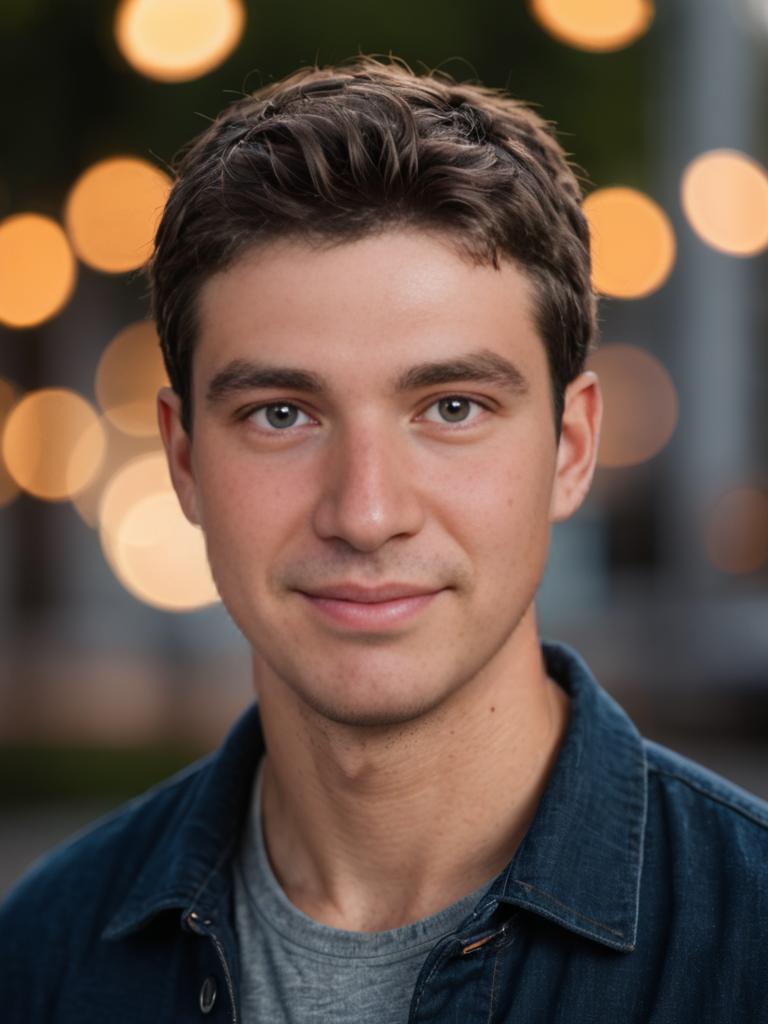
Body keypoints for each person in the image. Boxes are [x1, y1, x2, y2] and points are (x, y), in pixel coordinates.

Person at [1, 55, 766, 1023]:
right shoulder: (41, 958)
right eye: (282, 414)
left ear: (571, 449)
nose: (365, 512)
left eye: (451, 406)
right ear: (183, 458)